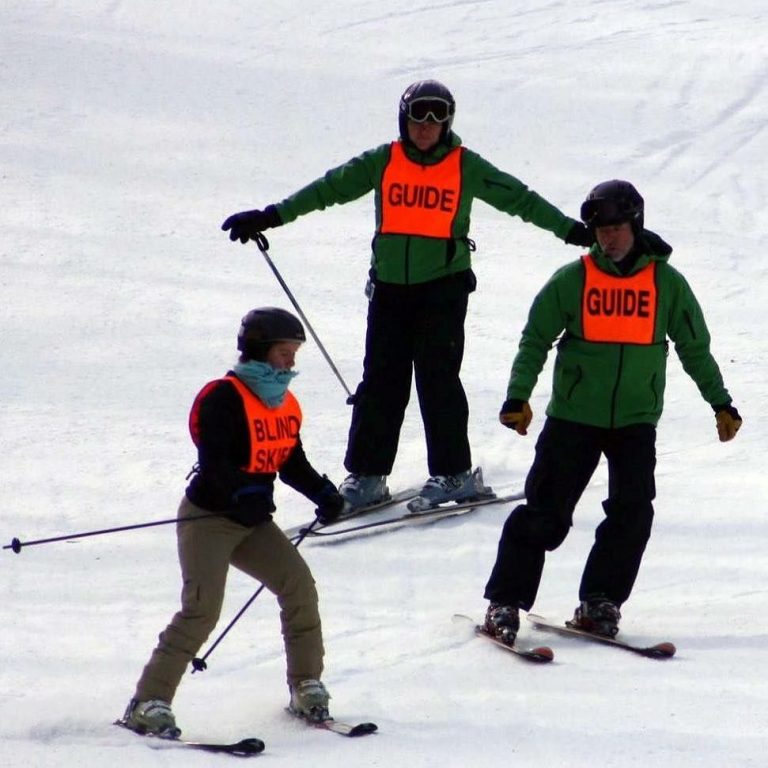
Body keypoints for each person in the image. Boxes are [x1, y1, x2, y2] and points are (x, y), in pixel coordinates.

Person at [221, 79, 604, 512]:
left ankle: (454, 473)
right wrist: (271, 216)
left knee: (437, 380)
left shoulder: (465, 165)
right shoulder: (383, 161)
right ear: (404, 119)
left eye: (437, 116)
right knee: (381, 381)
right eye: (418, 115)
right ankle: (367, 475)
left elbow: (519, 199)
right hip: (389, 290)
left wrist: (570, 229)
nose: (427, 125)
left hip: (443, 288)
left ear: (448, 121)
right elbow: (328, 189)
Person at [482, 179, 742, 645]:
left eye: (617, 227)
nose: (608, 237)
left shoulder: (666, 284)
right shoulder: (574, 279)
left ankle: (600, 601)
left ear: (635, 225)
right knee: (545, 514)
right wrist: (518, 397)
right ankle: (504, 602)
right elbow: (535, 338)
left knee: (632, 513)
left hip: (635, 422)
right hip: (573, 417)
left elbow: (694, 348)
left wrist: (720, 402)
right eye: (601, 229)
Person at [121, 307, 345, 736]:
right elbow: (214, 463)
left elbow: (290, 460)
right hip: (209, 519)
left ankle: (306, 686)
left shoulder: (284, 403)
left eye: (294, 353)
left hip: (252, 522)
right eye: (285, 353)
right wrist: (241, 493)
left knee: (298, 587)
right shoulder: (223, 397)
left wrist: (323, 492)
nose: (291, 363)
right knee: (202, 610)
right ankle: (148, 702)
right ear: (261, 351)